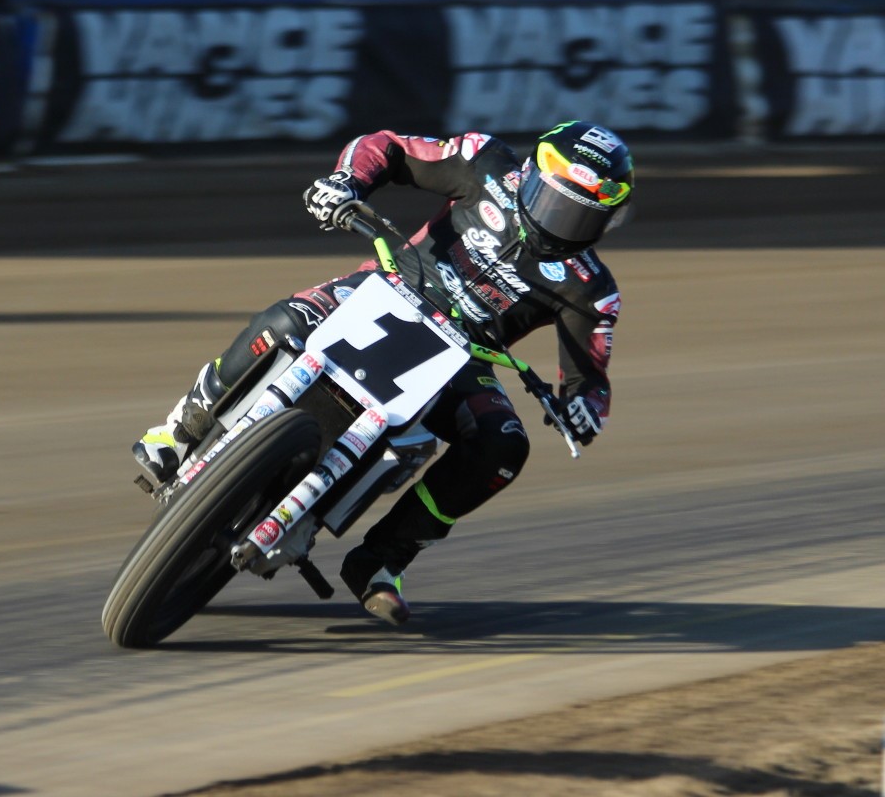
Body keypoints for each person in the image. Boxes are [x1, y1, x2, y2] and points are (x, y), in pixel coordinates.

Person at [132, 120, 634, 625]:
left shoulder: (591, 290)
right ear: (528, 176)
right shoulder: (484, 161)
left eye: (579, 217)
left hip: (462, 359)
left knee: (503, 444)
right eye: (555, 203)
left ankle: (383, 560)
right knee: (283, 320)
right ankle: (182, 428)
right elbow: (388, 146)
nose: (560, 223)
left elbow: (589, 376)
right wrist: (346, 183)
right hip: (383, 289)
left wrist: (583, 410)